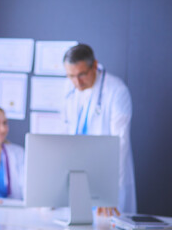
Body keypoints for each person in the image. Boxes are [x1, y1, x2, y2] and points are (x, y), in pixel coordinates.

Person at [61, 43, 136, 215]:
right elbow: (65, 130)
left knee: (107, 222)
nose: (76, 82)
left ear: (94, 65)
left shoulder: (117, 91)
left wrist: (108, 192)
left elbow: (120, 143)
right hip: (78, 174)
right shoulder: (69, 89)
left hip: (107, 175)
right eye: (70, 76)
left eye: (81, 75)